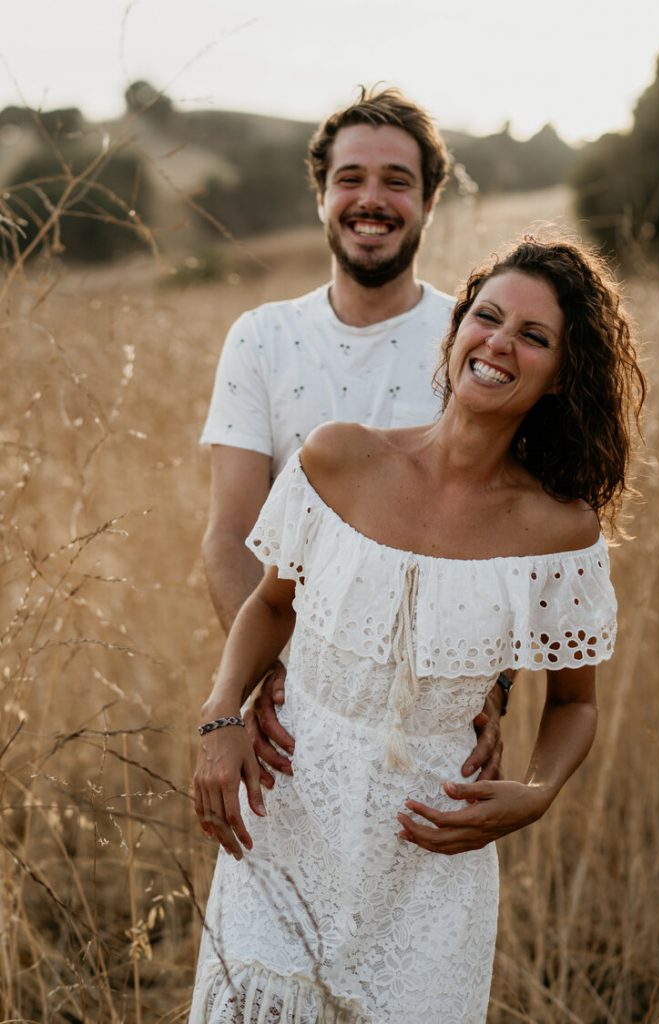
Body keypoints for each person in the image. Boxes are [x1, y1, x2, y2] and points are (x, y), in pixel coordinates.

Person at [190, 237, 646, 1023]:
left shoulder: (559, 533)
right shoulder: (338, 457)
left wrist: (536, 794)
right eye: (487, 316)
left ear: (560, 375)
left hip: (431, 847)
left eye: (532, 337)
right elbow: (271, 605)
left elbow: (575, 703)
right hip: (291, 812)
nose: (499, 343)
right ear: (455, 328)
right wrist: (223, 714)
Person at [200, 86, 507, 789]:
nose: (371, 199)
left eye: (397, 181)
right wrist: (263, 681)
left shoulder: (475, 340)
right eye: (350, 180)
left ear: (429, 203)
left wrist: (496, 683)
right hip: (287, 722)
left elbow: (505, 526)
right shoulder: (261, 338)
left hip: (432, 722)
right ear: (320, 197)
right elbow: (230, 533)